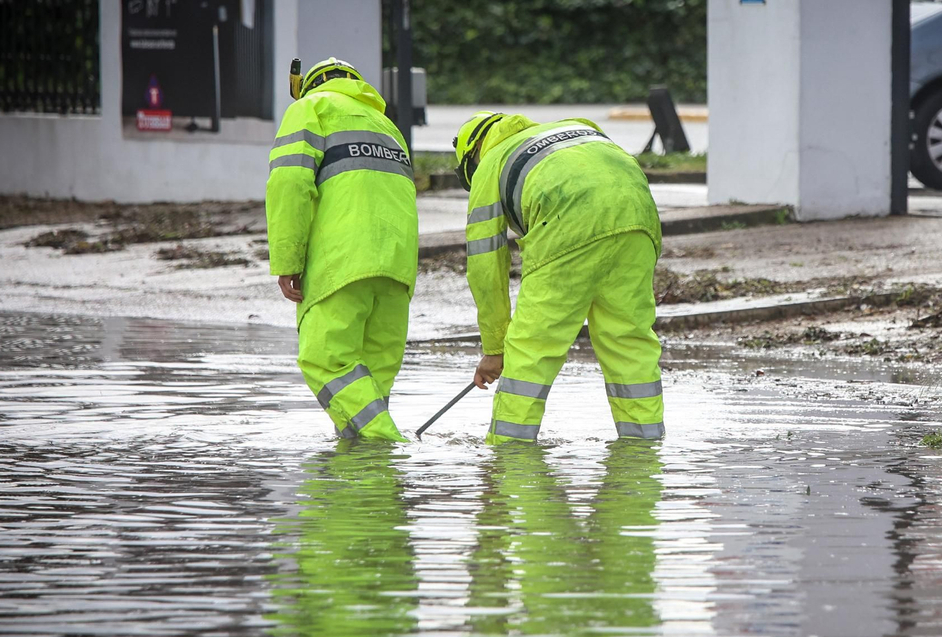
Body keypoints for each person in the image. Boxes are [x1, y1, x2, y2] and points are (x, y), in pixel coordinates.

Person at [453, 112, 664, 444]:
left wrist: (495, 349)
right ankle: (644, 449)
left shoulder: (492, 162)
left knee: (533, 349)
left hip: (567, 228)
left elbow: (485, 266)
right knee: (629, 342)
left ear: (472, 154)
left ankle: (510, 454)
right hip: (639, 222)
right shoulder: (577, 128)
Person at [266, 57, 418, 440]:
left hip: (343, 262)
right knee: (370, 385)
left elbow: (289, 184)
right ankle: (369, 472)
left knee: (325, 361)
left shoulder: (310, 108)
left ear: (309, 85)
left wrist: (288, 260)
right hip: (397, 268)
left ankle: (392, 447)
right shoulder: (387, 125)